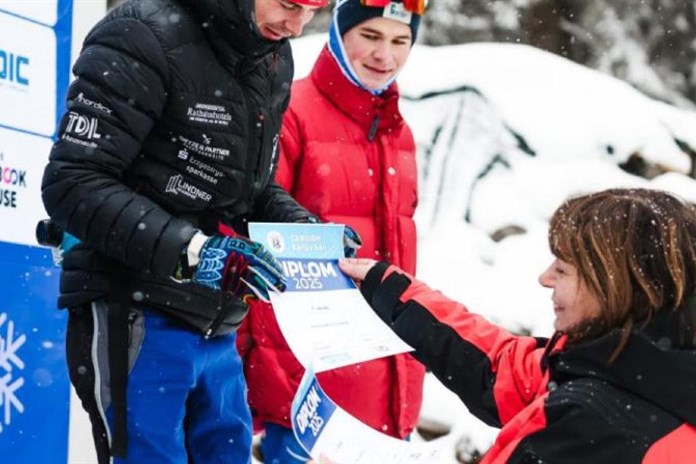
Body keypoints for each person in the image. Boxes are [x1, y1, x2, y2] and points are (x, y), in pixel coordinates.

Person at [40, 0, 330, 462]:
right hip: (134, 310)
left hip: (217, 323)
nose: (298, 25)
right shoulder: (141, 31)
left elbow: (248, 192)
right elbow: (73, 183)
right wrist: (194, 252)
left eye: (316, 8)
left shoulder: (272, 54)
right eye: (289, 4)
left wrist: (308, 235)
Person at [339, 188, 696, 463]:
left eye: (563, 269)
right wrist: (390, 290)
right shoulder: (641, 367)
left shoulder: (590, 424)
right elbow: (501, 370)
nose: (544, 278)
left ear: (615, 286)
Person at [237, 0, 427, 461]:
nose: (386, 55)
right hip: (309, 390)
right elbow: (255, 244)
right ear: (340, 35)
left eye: (401, 41)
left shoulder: (398, 132)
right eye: (371, 37)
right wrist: (269, 382)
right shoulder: (291, 110)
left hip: (388, 387)